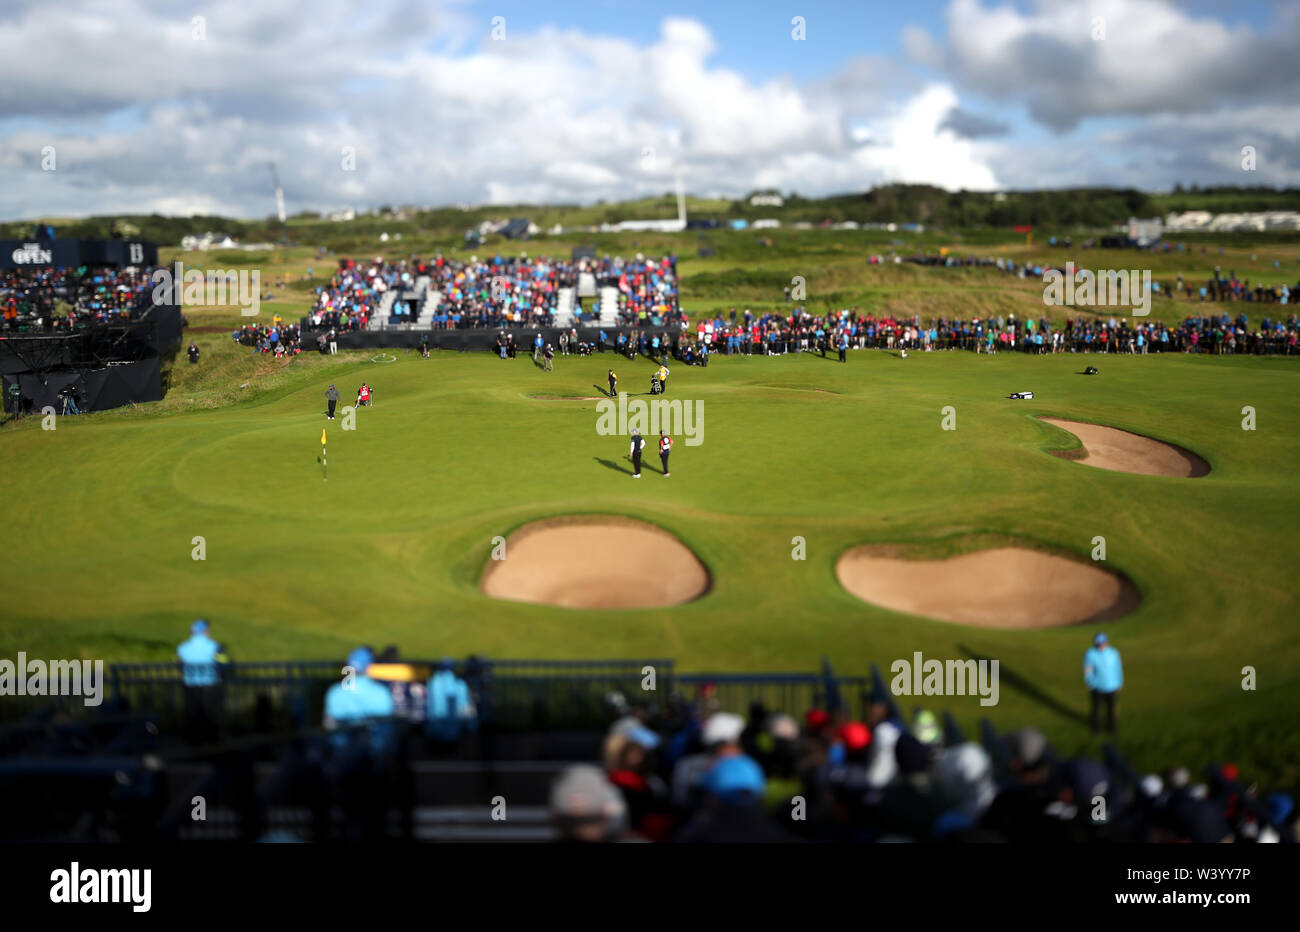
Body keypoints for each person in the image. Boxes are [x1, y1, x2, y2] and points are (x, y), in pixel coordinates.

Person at [1083, 632, 1123, 735]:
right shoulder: (1090, 653)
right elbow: (1088, 671)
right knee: (1096, 710)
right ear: (1095, 643)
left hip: (1112, 686)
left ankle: (1112, 728)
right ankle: (1097, 729)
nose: (1101, 645)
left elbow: (1118, 668)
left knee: (1112, 709)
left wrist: (1119, 682)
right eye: (1098, 643)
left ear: (1107, 642)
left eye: (1103, 643)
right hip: (1097, 687)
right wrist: (1091, 683)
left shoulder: (1113, 653)